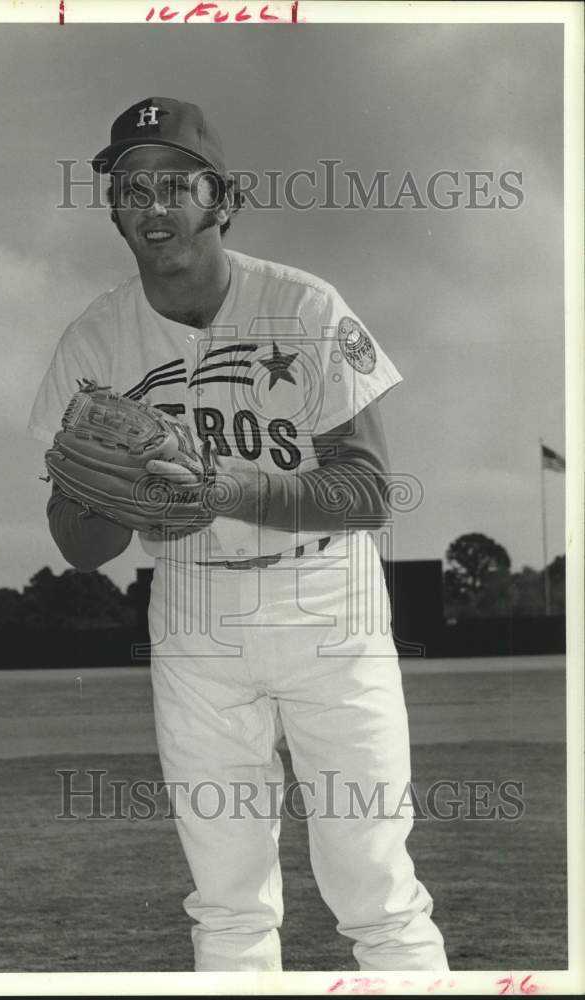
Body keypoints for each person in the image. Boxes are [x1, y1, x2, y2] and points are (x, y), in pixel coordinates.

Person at [28, 97, 448, 972]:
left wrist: (222, 481)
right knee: (225, 903)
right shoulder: (91, 341)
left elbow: (366, 492)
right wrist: (110, 494)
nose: (153, 203)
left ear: (223, 199)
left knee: (375, 890)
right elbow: (79, 546)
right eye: (131, 186)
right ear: (113, 207)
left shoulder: (305, 306)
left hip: (326, 598)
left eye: (177, 182)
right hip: (191, 604)